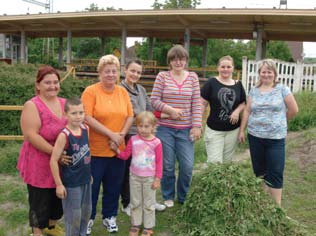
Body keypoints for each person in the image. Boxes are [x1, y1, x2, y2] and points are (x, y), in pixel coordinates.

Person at [81, 54, 134, 234]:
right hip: (95, 149)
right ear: (100, 73)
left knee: (114, 184)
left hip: (117, 149)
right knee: (92, 187)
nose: (111, 74)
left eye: (114, 71)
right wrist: (110, 133)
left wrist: (120, 136)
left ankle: (109, 216)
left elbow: (129, 116)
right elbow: (87, 117)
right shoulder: (91, 91)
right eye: (107, 71)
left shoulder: (122, 91)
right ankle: (88, 218)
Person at [239, 59, 298, 206]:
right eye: (263, 72)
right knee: (260, 171)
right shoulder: (253, 90)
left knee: (275, 171)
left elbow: (293, 110)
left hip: (275, 139)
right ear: (259, 74)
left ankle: (277, 208)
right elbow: (247, 110)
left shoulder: (282, 89)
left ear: (274, 74)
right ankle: (262, 203)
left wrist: (280, 122)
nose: (266, 74)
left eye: (269, 72)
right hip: (255, 137)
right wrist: (242, 130)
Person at [150, 44, 202, 207]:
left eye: (182, 59)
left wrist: (197, 125)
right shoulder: (162, 76)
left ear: (186, 60)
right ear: (170, 61)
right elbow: (154, 101)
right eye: (175, 59)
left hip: (186, 129)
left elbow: (196, 103)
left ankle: (183, 195)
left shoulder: (193, 77)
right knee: (168, 165)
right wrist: (170, 110)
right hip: (165, 128)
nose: (178, 62)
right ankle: (168, 195)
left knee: (187, 166)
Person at [17, 66, 66, 236]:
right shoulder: (32, 105)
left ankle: (51, 227)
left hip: (60, 161)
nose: (52, 86)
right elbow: (31, 136)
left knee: (57, 198)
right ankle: (37, 231)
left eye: (55, 82)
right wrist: (56, 153)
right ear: (38, 85)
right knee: (40, 200)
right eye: (47, 83)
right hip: (38, 161)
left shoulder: (64, 103)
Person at [119, 59, 166, 216]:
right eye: (132, 70)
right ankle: (127, 203)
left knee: (147, 168)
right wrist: (144, 120)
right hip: (129, 134)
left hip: (145, 135)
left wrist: (150, 124)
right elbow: (130, 113)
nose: (135, 74)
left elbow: (149, 110)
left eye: (138, 72)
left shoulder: (141, 89)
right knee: (128, 171)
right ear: (125, 70)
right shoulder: (120, 89)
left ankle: (150, 200)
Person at [111, 111, 162, 236]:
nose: (143, 129)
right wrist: (116, 150)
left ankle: (148, 227)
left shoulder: (157, 143)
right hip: (134, 177)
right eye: (140, 126)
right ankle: (135, 224)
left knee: (149, 203)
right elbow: (125, 155)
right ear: (136, 126)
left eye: (146, 126)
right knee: (135, 202)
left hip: (150, 178)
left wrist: (157, 179)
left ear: (153, 126)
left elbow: (160, 162)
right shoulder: (133, 140)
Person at [50, 97, 91, 236]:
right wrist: (59, 185)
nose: (78, 117)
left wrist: (89, 173)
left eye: (81, 112)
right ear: (65, 114)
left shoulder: (86, 129)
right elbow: (53, 160)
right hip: (71, 182)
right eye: (74, 113)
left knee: (86, 211)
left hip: (85, 180)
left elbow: (86, 153)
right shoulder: (64, 135)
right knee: (74, 215)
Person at [201, 55, 246, 163]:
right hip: (214, 130)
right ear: (218, 68)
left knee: (226, 163)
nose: (225, 69)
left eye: (228, 67)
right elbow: (202, 104)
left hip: (233, 131)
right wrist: (198, 123)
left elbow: (243, 103)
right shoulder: (211, 83)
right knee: (214, 162)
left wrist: (237, 111)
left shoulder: (238, 85)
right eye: (223, 67)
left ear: (233, 68)